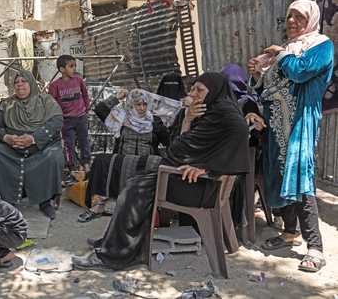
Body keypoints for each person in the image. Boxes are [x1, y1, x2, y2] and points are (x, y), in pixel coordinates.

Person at [72, 72, 250, 270]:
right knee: (133, 184)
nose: (194, 94)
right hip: (186, 178)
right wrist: (187, 120)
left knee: (135, 191)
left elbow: (239, 137)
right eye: (192, 89)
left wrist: (209, 169)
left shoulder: (227, 116)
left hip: (200, 188)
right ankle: (116, 245)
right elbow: (180, 147)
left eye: (199, 90)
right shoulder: (209, 114)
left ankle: (113, 256)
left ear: (215, 91)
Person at [247, 0, 333, 272]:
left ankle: (316, 248)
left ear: (311, 19)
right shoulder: (289, 51)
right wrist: (259, 73)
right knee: (280, 177)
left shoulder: (321, 46)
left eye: (299, 16)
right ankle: (289, 232)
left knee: (301, 180)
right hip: (277, 127)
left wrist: (281, 55)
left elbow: (300, 72)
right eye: (289, 16)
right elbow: (268, 90)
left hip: (299, 124)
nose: (292, 21)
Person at [78, 89, 170, 222]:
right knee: (101, 160)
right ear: (131, 105)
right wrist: (116, 97)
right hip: (123, 162)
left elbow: (169, 141)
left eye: (144, 104)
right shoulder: (121, 117)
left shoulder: (155, 121)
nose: (142, 108)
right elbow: (100, 109)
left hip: (145, 164)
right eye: (138, 104)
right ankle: (99, 206)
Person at [0, 70, 64, 219]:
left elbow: (56, 121)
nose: (20, 85)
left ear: (32, 83)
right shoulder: (6, 103)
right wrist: (7, 137)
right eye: (16, 82)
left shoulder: (45, 100)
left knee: (53, 156)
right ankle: (6, 200)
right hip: (12, 148)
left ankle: (45, 201)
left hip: (40, 146)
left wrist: (34, 138)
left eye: (24, 81)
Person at [221, 64, 266, 230]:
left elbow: (257, 132)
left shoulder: (247, 103)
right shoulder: (219, 102)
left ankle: (233, 222)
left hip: (246, 160)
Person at [48, 55, 90, 171]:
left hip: (81, 117)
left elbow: (85, 95)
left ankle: (86, 162)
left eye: (75, 66)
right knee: (68, 144)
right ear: (62, 69)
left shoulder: (78, 80)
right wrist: (58, 117)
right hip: (66, 120)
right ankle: (72, 165)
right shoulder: (55, 85)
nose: (74, 68)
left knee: (84, 141)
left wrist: (86, 108)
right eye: (71, 66)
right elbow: (52, 103)